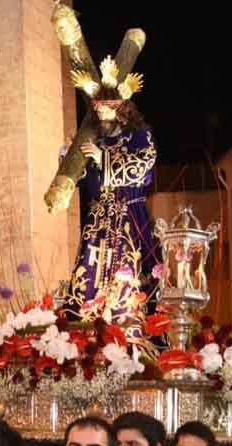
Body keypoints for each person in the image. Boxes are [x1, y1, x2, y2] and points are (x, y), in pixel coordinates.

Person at [66, 57, 158, 328]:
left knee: (129, 276)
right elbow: (88, 182)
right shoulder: (97, 139)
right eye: (99, 112)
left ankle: (130, 330)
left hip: (130, 213)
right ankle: (87, 328)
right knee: (90, 275)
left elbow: (143, 166)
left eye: (108, 111)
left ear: (122, 109)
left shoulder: (140, 135)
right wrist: (72, 159)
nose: (103, 118)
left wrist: (102, 158)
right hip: (98, 222)